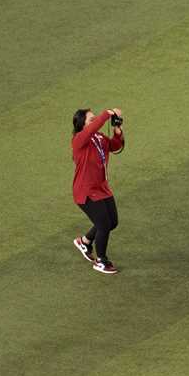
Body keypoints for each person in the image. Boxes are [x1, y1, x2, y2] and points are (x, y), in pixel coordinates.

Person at [72, 107, 124, 274]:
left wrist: (117, 132)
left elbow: (115, 147)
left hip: (101, 188)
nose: (95, 122)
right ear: (82, 125)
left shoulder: (99, 137)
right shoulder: (79, 139)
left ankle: (85, 241)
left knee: (112, 222)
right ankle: (101, 261)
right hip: (85, 190)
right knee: (103, 225)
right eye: (91, 119)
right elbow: (91, 129)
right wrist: (106, 113)